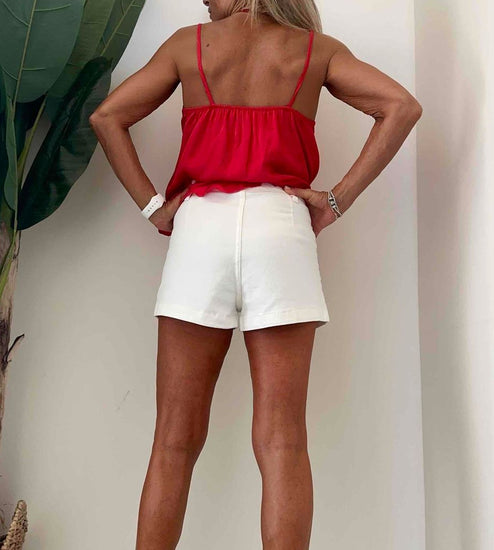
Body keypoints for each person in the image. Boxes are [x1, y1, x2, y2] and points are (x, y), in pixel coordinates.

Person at [89, 0, 422, 548]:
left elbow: (107, 116)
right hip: (281, 228)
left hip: (199, 230)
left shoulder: (187, 44)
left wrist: (154, 207)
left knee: (173, 440)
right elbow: (400, 106)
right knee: (283, 441)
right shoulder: (316, 51)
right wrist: (335, 201)